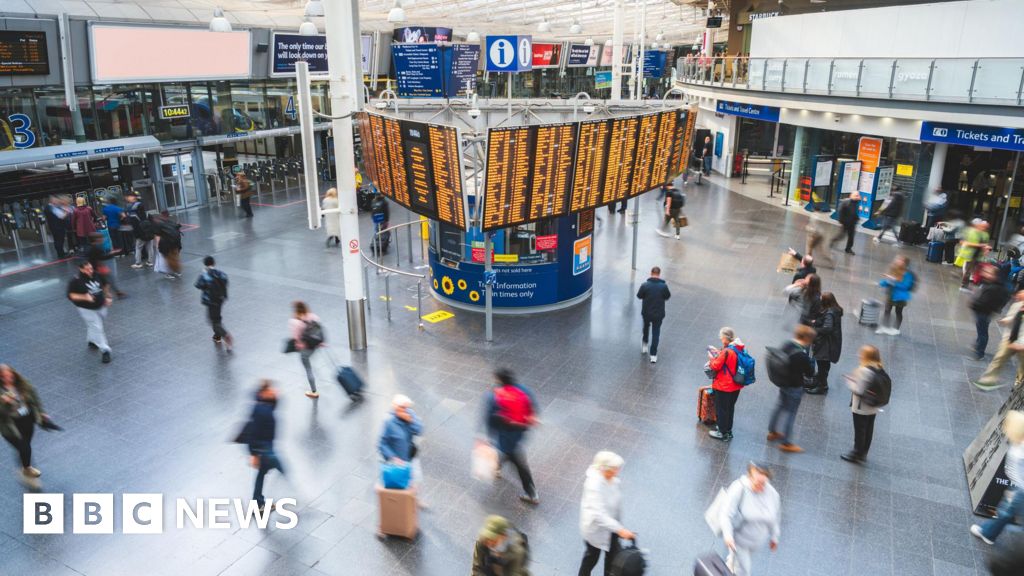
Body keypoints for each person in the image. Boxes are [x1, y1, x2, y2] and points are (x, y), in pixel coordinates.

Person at [485, 369, 540, 505]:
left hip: (505, 434)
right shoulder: (524, 390)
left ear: (500, 380)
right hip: (520, 431)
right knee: (506, 452)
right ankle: (497, 467)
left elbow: (491, 418)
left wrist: (489, 435)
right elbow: (534, 409)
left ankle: (531, 493)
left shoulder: (496, 395)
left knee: (518, 462)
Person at [970, 410, 1024, 545]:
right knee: (1006, 513)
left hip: (1020, 490)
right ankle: (989, 533)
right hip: (1019, 488)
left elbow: (1017, 473)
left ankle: (988, 533)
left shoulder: (1019, 450)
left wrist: (1015, 492)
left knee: (1005, 513)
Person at [718, 462, 781, 576]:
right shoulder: (739, 488)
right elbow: (726, 514)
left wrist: (774, 536)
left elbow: (774, 516)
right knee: (744, 571)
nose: (761, 487)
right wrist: (728, 535)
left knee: (736, 566)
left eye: (764, 483)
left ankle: (730, 565)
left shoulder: (772, 494)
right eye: (757, 483)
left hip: (755, 542)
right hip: (739, 541)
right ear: (750, 478)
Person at [578, 451, 635, 576]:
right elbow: (598, 514)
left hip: (612, 529)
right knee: (591, 558)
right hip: (596, 531)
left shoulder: (613, 480)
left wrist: (619, 527)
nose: (617, 471)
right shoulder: (593, 485)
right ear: (604, 468)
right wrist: (620, 530)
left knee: (612, 559)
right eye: (614, 469)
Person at [767, 325, 816, 453]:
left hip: (783, 382)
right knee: (791, 413)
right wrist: (811, 360)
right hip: (795, 387)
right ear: (807, 339)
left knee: (779, 406)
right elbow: (810, 373)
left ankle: (772, 432)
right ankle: (786, 443)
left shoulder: (786, 344)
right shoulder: (801, 355)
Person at [0, 365, 49, 480]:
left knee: (26, 445)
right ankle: (27, 468)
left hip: (27, 419)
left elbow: (34, 397)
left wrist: (41, 412)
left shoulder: (22, 384)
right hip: (11, 425)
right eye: (5, 376)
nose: (9, 378)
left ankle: (25, 463)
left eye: (10, 375)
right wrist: (4, 403)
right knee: (24, 446)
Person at [841, 345, 888, 464]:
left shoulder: (863, 370)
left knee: (860, 431)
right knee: (868, 429)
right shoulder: (879, 368)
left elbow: (858, 390)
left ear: (866, 356)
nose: (859, 355)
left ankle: (856, 454)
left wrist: (850, 381)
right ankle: (863, 453)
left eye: (861, 353)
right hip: (873, 406)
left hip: (861, 407)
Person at [241, 380, 283, 513]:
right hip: (264, 450)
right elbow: (252, 433)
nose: (274, 391)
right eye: (270, 390)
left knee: (262, 473)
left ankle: (258, 502)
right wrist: (254, 454)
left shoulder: (264, 406)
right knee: (283, 469)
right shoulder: (260, 410)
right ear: (263, 392)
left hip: (265, 448)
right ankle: (302, 493)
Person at [973, 291, 1024, 391]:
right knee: (998, 359)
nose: (1018, 296)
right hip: (1010, 339)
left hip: (1022, 344)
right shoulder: (1017, 305)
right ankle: (987, 381)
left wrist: (1021, 344)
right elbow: (1013, 317)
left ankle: (1018, 386)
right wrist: (1006, 320)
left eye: (1021, 295)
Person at [67, 260, 112, 364]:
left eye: (91, 268)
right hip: (86, 308)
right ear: (81, 269)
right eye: (87, 269)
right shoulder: (76, 281)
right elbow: (71, 295)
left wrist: (107, 296)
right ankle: (105, 350)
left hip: (100, 306)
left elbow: (105, 284)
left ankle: (92, 340)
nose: (90, 271)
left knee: (95, 325)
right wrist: (84, 297)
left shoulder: (97, 275)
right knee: (97, 327)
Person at [707, 327, 745, 442]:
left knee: (722, 409)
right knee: (730, 408)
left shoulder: (727, 351)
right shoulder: (738, 348)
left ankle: (722, 432)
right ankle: (728, 431)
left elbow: (715, 366)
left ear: (725, 338)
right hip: (736, 385)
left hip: (724, 386)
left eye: (721, 337)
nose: (720, 339)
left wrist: (711, 358)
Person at [378, 394, 423, 487]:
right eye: (403, 407)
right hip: (397, 463)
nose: (406, 410)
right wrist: (393, 458)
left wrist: (411, 421)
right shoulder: (389, 422)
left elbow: (419, 430)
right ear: (396, 407)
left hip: (410, 457)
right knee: (399, 485)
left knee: (416, 482)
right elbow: (382, 444)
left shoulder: (410, 414)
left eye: (407, 407)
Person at [971, 264, 1011, 360]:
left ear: (994, 275)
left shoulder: (995, 287)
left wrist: (974, 304)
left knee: (982, 332)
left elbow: (985, 302)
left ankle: (980, 352)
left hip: (984, 312)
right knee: (981, 330)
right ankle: (978, 345)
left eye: (987, 272)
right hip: (983, 311)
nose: (984, 273)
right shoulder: (990, 283)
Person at [807, 292, 843, 395]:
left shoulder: (829, 313)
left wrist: (815, 330)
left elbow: (827, 328)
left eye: (822, 299)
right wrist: (816, 322)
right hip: (830, 343)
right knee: (824, 365)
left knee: (822, 365)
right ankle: (820, 382)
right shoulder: (834, 310)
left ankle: (822, 386)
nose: (820, 300)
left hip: (826, 344)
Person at [195, 256, 233, 351]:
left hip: (211, 301)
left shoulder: (204, 275)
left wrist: (203, 274)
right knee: (217, 318)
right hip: (220, 299)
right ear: (214, 263)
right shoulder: (220, 273)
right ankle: (217, 336)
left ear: (205, 264)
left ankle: (226, 335)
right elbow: (226, 281)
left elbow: (198, 285)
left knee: (213, 321)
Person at [287, 301, 322, 398]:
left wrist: (297, 344)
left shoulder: (294, 322)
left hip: (305, 349)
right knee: (310, 362)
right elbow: (319, 329)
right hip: (315, 345)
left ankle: (314, 391)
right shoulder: (313, 317)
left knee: (308, 369)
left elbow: (295, 337)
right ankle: (318, 377)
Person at [636, 266, 671, 363]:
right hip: (658, 314)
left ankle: (645, 344)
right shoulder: (663, 286)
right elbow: (667, 296)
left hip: (646, 313)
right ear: (659, 274)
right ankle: (653, 355)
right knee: (656, 333)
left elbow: (639, 296)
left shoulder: (645, 285)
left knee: (646, 327)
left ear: (651, 273)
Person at [877, 255, 914, 336]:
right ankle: (884, 327)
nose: (898, 261)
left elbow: (905, 286)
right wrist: (882, 283)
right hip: (891, 295)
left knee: (898, 312)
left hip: (900, 297)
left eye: (901, 260)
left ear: (905, 264)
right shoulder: (893, 269)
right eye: (898, 259)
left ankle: (896, 329)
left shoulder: (908, 274)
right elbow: (887, 281)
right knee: (887, 310)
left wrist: (893, 281)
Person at [86, 232, 126, 299]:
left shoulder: (91, 247)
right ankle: (108, 294)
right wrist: (112, 253)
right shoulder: (96, 248)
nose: (102, 239)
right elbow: (102, 257)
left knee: (107, 279)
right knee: (106, 281)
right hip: (97, 267)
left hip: (97, 266)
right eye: (101, 238)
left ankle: (116, 292)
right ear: (96, 239)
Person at [956, 219, 991, 291]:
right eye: (983, 226)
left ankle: (978, 283)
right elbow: (963, 242)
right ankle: (963, 286)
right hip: (970, 254)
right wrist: (980, 245)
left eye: (986, 227)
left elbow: (985, 244)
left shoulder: (985, 234)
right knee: (968, 271)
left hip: (978, 255)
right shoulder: (970, 231)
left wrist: (986, 249)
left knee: (978, 270)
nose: (984, 228)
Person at [153, 212, 183, 279]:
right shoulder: (171, 222)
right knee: (175, 257)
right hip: (176, 243)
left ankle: (170, 273)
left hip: (166, 244)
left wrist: (157, 245)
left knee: (168, 258)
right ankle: (177, 271)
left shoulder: (159, 224)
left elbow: (157, 235)